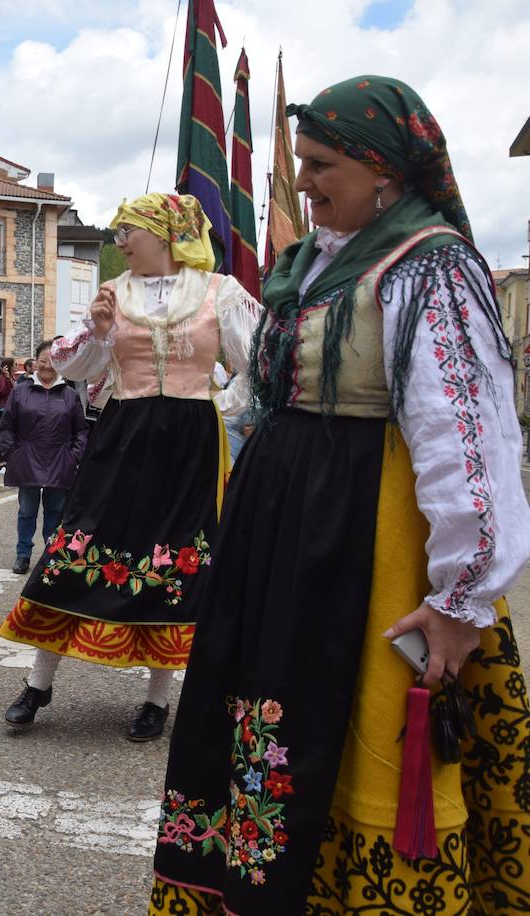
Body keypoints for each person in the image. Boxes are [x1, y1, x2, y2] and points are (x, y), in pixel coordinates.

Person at [150, 76, 530, 914]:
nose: (307, 182)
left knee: (355, 721)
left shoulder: (430, 271)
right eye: (303, 164)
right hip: (283, 526)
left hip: (366, 533)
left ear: (383, 168)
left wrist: (460, 597)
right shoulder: (312, 263)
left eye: (321, 165)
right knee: (265, 711)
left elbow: (466, 439)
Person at [0, 193, 260, 741]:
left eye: (127, 232)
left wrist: (222, 403)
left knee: (174, 562)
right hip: (123, 433)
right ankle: (38, 682)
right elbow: (69, 365)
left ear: (163, 235)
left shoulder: (221, 292)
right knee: (77, 545)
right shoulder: (113, 294)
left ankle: (156, 699)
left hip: (191, 442)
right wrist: (95, 332)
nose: (120, 242)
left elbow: (256, 364)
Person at [0, 339, 90, 575]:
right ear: (35, 362)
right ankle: (23, 555)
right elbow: (7, 426)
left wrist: (73, 456)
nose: (48, 365)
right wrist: (13, 453)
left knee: (55, 512)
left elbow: (80, 431)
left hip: (60, 462)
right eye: (42, 360)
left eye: (53, 361)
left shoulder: (70, 395)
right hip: (27, 461)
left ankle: (50, 556)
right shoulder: (21, 391)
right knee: (27, 511)